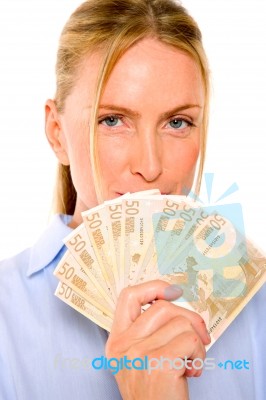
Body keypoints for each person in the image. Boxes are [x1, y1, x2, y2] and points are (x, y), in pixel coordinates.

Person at [0, 0, 265, 399]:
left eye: (178, 123)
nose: (150, 165)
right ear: (57, 133)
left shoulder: (256, 307)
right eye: (113, 120)